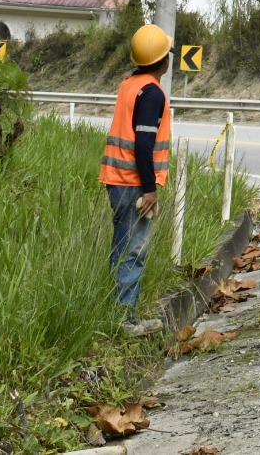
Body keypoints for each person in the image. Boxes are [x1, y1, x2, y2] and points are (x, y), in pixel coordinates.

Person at [99, 23, 174, 336]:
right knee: (133, 251)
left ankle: (118, 313)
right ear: (162, 60)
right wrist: (149, 189)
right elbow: (144, 144)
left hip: (117, 179)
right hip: (133, 183)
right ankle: (125, 320)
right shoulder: (152, 93)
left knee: (122, 247)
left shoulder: (129, 84)